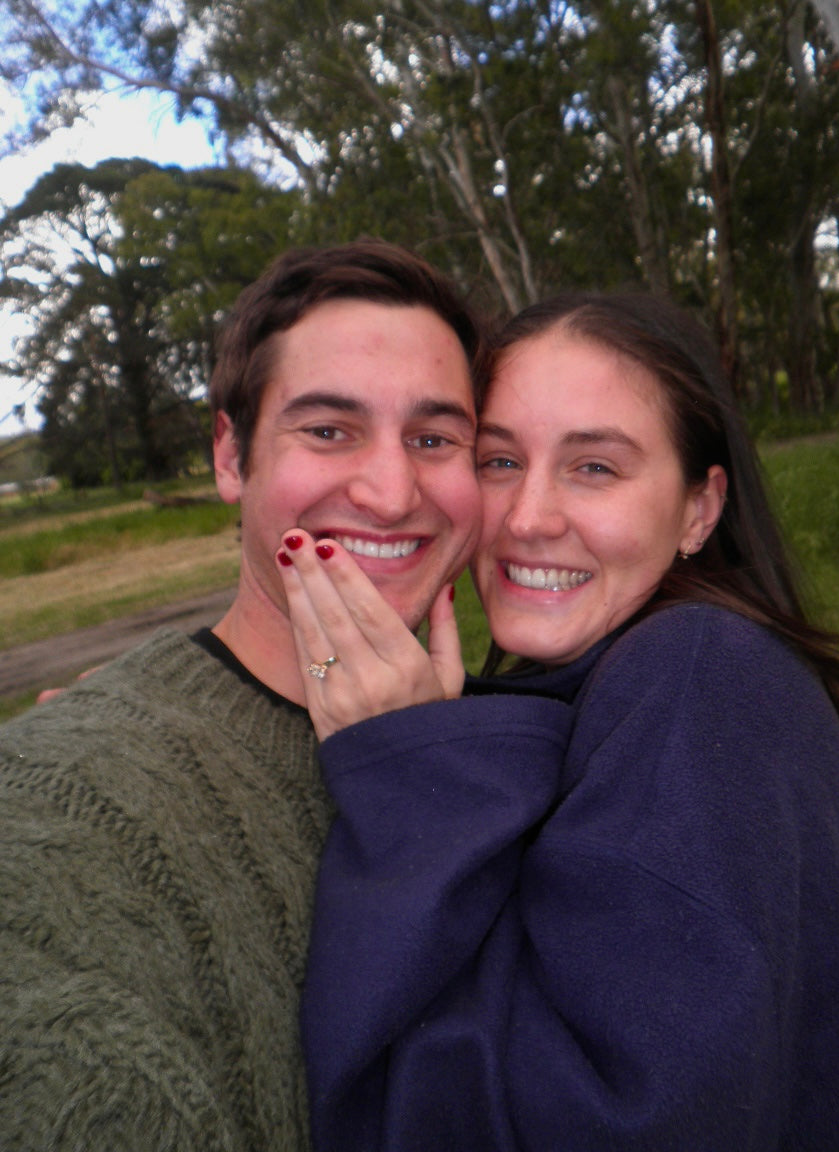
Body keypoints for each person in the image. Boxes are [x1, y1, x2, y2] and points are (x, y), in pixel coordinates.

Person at [282, 290, 839, 1149]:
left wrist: (416, 786)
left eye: (595, 467)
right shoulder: (649, 675)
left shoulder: (697, 677)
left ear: (700, 509)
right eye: (500, 460)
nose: (528, 517)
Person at [0, 240, 483, 1150]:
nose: (390, 491)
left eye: (433, 438)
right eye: (329, 429)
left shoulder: (510, 740)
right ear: (231, 456)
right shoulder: (66, 796)